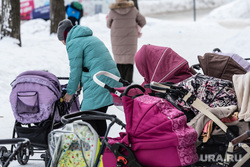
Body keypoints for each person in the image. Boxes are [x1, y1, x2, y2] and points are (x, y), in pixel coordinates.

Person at [57, 19, 122, 136]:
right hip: (109, 79)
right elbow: (88, 66)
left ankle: (97, 149)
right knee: (98, 117)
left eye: (62, 40)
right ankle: (102, 148)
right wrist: (80, 83)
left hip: (99, 81)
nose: (63, 43)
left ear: (66, 35)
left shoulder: (73, 43)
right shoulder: (89, 38)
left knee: (87, 116)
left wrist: (70, 92)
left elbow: (75, 70)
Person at [106, 0, 146, 84]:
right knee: (129, 61)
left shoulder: (112, 11)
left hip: (117, 39)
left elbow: (108, 24)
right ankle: (128, 82)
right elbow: (143, 21)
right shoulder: (133, 9)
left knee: (119, 60)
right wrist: (136, 26)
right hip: (130, 39)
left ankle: (120, 82)